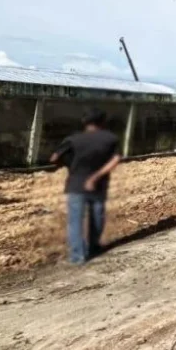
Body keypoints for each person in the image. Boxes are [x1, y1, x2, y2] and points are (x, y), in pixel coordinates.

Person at [50, 109, 121, 265]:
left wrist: (69, 165)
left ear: (85, 123)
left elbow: (54, 158)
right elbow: (115, 159)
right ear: (103, 123)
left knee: (75, 221)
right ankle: (94, 247)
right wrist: (96, 177)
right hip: (98, 185)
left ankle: (77, 256)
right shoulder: (110, 139)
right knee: (97, 217)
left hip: (76, 184)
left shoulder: (74, 139)